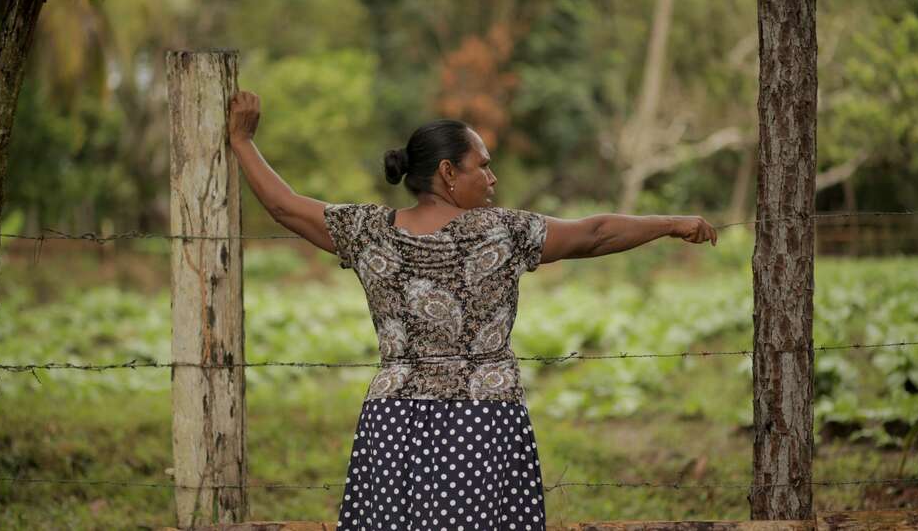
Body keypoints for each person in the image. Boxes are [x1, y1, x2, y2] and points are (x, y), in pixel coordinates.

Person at [228, 90, 718, 530]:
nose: (492, 176)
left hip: (393, 420)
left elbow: (284, 207)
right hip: (482, 419)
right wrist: (671, 222)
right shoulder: (501, 231)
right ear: (447, 172)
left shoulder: (368, 231)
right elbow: (595, 233)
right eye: (482, 165)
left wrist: (243, 142)